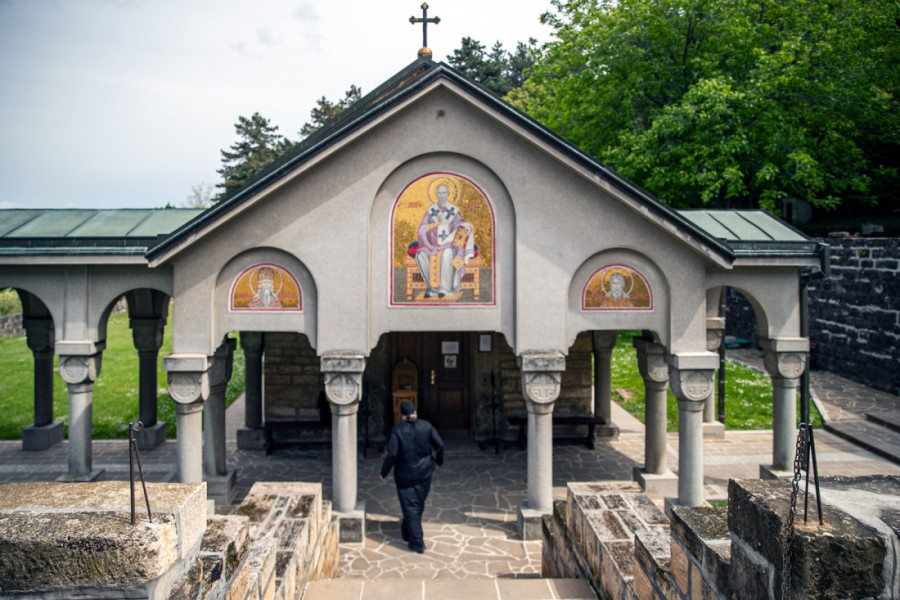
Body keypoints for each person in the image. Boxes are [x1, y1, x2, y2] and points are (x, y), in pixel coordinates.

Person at [380, 400, 444, 553]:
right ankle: (407, 530)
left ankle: (417, 543)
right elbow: (440, 445)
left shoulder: (397, 430)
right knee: (416, 505)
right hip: (424, 472)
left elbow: (393, 454)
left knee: (411, 506)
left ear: (402, 415)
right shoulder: (426, 426)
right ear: (415, 411)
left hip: (405, 473)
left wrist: (384, 472)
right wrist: (438, 462)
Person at [414, 182, 475, 298]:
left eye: (445, 193)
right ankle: (433, 289)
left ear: (448, 194)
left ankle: (445, 289)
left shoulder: (454, 211)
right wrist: (434, 225)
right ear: (436, 194)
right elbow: (422, 228)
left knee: (447, 254)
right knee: (420, 254)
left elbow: (459, 226)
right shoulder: (430, 211)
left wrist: (463, 226)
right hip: (432, 246)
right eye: (440, 193)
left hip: (449, 245)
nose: (442, 196)